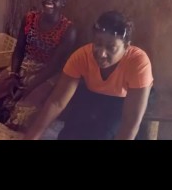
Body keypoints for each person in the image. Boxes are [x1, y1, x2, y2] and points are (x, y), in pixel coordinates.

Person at [24, 10, 153, 140]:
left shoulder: (138, 63)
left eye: (111, 48)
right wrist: (31, 137)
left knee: (102, 134)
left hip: (123, 98)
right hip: (93, 93)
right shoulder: (81, 57)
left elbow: (130, 122)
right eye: (98, 44)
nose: (102, 53)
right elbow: (57, 102)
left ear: (126, 47)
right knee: (69, 136)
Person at [0, 0, 76, 131]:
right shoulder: (30, 18)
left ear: (63, 3)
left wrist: (28, 88)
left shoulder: (68, 30)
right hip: (25, 65)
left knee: (20, 116)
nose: (49, 2)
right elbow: (19, 48)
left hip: (48, 75)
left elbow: (54, 65)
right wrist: (14, 75)